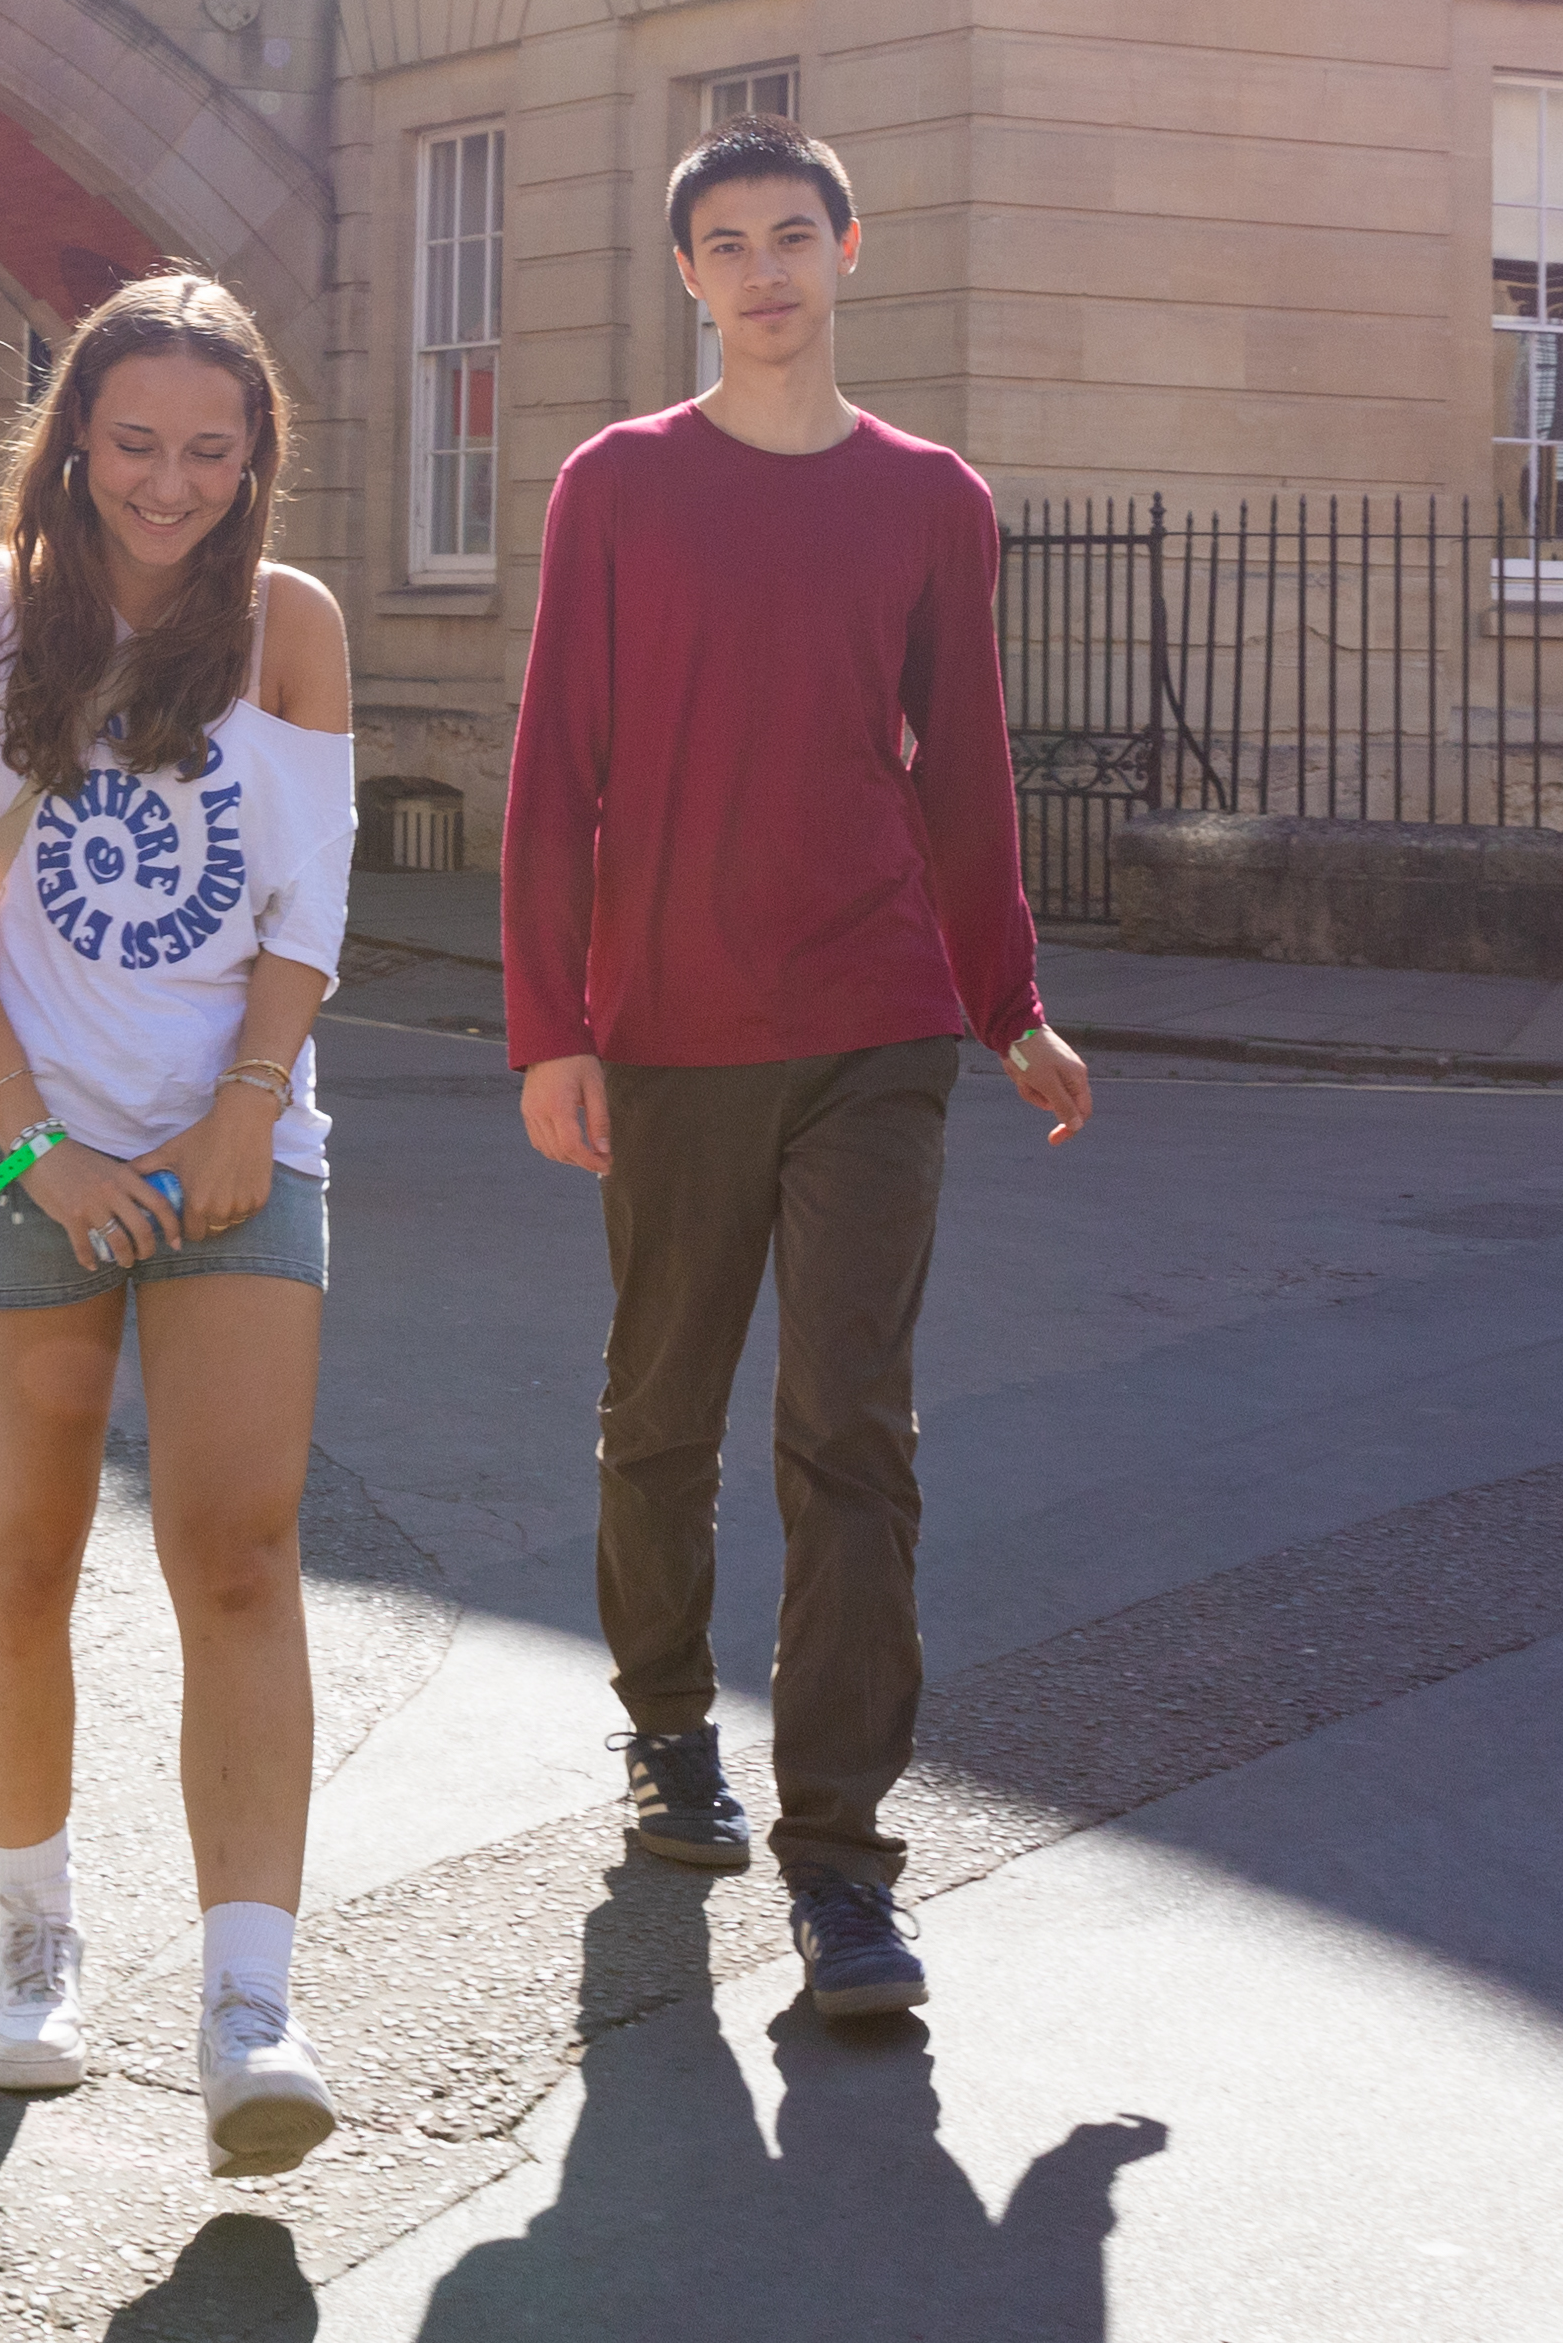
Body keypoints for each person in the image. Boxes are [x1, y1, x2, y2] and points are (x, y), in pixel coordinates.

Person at [503, 122, 1091, 2026]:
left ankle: (840, 1861)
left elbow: (969, 765)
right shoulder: (614, 488)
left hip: (875, 1020)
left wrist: (1004, 996)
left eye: (791, 236)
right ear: (688, 276)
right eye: (725, 243)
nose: (763, 270)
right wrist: (551, 1025)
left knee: (852, 1425)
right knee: (659, 1409)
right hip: (668, 1024)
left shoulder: (931, 499)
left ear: (850, 249)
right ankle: (669, 1727)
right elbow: (551, 775)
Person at [0, 272, 356, 2180]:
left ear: (256, 464)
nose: (168, 484)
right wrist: (31, 1148)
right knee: (27, 1545)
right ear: (75, 434)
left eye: (208, 451)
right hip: (21, 1147)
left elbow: (305, 908)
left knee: (238, 1551)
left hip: (242, 1148)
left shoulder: (290, 627)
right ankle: (34, 1940)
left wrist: (247, 1106)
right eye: (135, 442)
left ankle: (251, 2004)